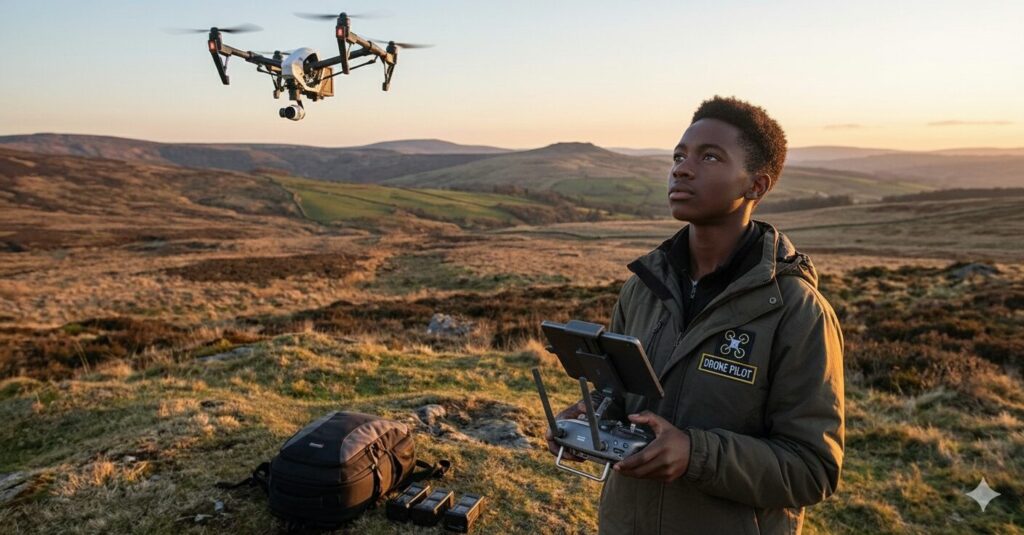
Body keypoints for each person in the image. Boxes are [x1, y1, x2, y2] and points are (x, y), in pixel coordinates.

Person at [546, 96, 845, 534]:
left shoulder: (797, 313)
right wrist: (591, 418)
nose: (682, 169)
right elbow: (623, 397)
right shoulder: (643, 287)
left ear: (756, 187)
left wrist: (693, 453)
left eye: (709, 157)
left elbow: (812, 469)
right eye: (679, 156)